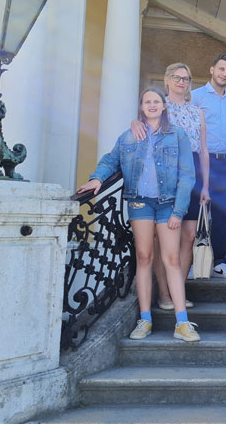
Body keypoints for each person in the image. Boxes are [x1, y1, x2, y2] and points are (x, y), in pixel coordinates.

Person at [77, 87, 199, 342]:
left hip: (168, 205)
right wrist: (97, 179)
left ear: (164, 106)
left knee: (172, 260)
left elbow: (187, 176)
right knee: (144, 257)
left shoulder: (178, 135)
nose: (152, 105)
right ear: (141, 107)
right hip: (140, 204)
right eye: (147, 102)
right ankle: (145, 319)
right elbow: (111, 161)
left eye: (157, 101)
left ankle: (183, 322)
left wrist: (179, 209)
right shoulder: (129, 137)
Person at [155, 63, 208, 307]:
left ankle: (179, 292)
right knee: (165, 238)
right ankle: (165, 294)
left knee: (188, 236)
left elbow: (204, 150)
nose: (181, 82)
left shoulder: (197, 112)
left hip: (194, 172)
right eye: (176, 78)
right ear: (167, 80)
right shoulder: (159, 108)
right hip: (166, 173)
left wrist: (206, 185)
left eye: (186, 79)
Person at [190, 54, 226, 279]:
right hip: (201, 160)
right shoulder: (195, 97)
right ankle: (193, 262)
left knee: (220, 214)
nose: (225, 74)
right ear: (212, 69)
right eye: (221, 69)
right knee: (195, 211)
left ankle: (219, 262)